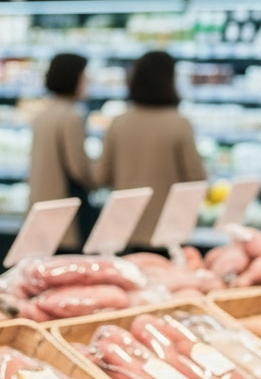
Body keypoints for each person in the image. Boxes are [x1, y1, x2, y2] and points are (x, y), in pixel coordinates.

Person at [95, 49, 206, 249]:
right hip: (167, 229)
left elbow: (102, 175)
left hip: (123, 227)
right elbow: (196, 178)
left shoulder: (118, 123)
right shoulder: (179, 124)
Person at [27, 52, 94, 250]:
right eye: (84, 75)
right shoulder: (70, 117)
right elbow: (78, 169)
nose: (87, 80)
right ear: (73, 78)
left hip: (42, 212)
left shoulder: (43, 114)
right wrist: (98, 179)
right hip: (65, 213)